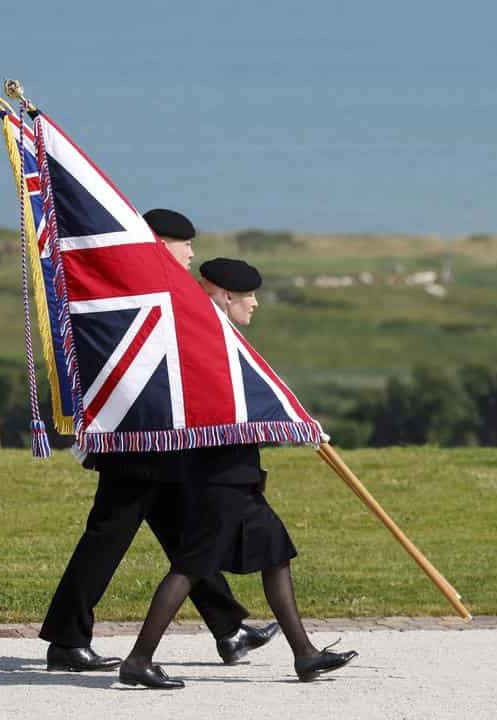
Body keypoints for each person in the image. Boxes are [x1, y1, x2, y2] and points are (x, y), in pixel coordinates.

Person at [40, 210, 278, 673]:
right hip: (138, 442)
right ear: (158, 243)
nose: (191, 253)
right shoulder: (148, 288)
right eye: (182, 244)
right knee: (107, 537)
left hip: (156, 442)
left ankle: (228, 629)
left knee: (185, 535)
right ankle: (67, 640)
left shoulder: (159, 287)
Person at [118, 258, 356, 689]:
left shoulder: (220, 338)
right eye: (248, 296)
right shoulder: (207, 339)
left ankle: (304, 654)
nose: (255, 304)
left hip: (237, 475)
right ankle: (138, 659)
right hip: (217, 475)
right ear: (226, 296)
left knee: (275, 552)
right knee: (191, 566)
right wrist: (293, 420)